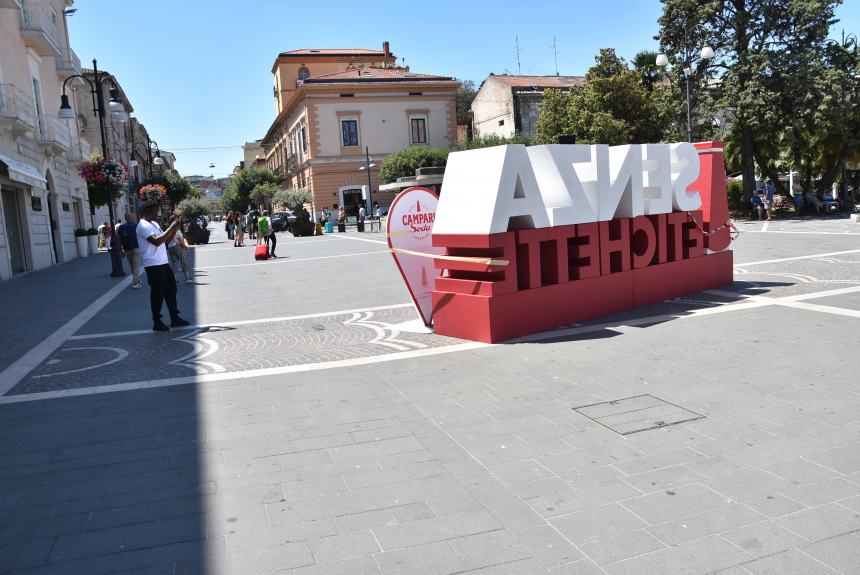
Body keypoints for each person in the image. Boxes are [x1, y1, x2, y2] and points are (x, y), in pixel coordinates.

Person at [136, 200, 189, 331]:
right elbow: (156, 241)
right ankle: (157, 322)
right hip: (153, 265)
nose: (157, 213)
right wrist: (171, 228)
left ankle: (174, 317)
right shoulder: (142, 225)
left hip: (163, 262)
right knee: (157, 294)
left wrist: (174, 230)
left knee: (171, 290)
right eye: (155, 211)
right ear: (148, 211)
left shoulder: (153, 223)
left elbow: (165, 241)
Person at [117, 213, 141, 288]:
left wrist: (120, 250)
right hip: (136, 248)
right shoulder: (136, 226)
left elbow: (119, 239)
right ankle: (135, 282)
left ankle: (136, 280)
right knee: (136, 266)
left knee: (132, 266)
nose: (135, 218)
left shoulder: (121, 227)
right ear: (131, 218)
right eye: (134, 217)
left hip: (127, 249)